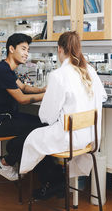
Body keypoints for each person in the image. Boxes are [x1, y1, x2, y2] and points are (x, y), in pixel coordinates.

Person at [19, 31, 107, 199]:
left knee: (31, 138)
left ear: (59, 49)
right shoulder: (90, 71)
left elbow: (45, 116)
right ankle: (56, 182)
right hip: (90, 138)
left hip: (69, 140)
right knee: (40, 137)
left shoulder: (58, 75)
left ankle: (26, 177)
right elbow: (102, 96)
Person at [0, 33, 46, 181]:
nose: (26, 54)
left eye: (27, 50)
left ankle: (24, 164)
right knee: (41, 128)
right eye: (23, 49)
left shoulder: (7, 69)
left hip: (6, 118)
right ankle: (6, 162)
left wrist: (44, 90)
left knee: (41, 123)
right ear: (11, 48)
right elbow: (22, 99)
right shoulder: (2, 71)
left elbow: (23, 87)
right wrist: (46, 96)